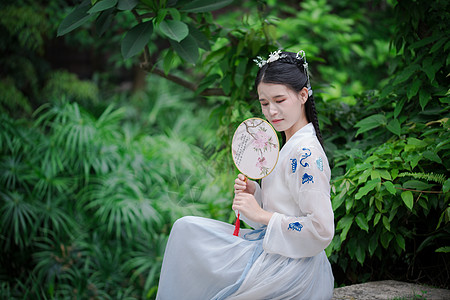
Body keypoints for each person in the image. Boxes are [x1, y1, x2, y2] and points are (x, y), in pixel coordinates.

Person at [156, 50, 335, 299]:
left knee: (188, 232)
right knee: (186, 229)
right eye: (264, 103)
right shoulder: (289, 146)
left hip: (293, 268)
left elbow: (321, 229)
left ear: (303, 94)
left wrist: (260, 214)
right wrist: (256, 195)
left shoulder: (305, 153)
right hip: (277, 254)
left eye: (280, 100)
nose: (271, 111)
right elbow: (283, 210)